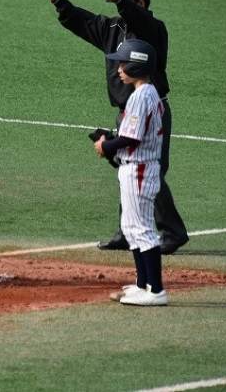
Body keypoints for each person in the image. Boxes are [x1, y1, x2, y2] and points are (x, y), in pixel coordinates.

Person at [43, 0, 189, 255]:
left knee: (151, 172)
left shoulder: (153, 31)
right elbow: (84, 22)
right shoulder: (113, 29)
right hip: (126, 111)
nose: (117, 7)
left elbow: (140, 20)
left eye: (124, 2)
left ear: (140, 4)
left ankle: (173, 232)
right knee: (128, 170)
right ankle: (126, 231)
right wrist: (58, 2)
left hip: (151, 109)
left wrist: (121, 1)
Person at [94, 39, 167, 306]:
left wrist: (106, 145)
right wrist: (111, 142)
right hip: (135, 167)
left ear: (137, 66)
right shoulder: (147, 93)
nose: (118, 69)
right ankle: (142, 284)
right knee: (130, 227)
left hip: (139, 169)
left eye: (123, 64)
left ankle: (156, 291)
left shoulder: (141, 96)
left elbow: (131, 138)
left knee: (142, 229)